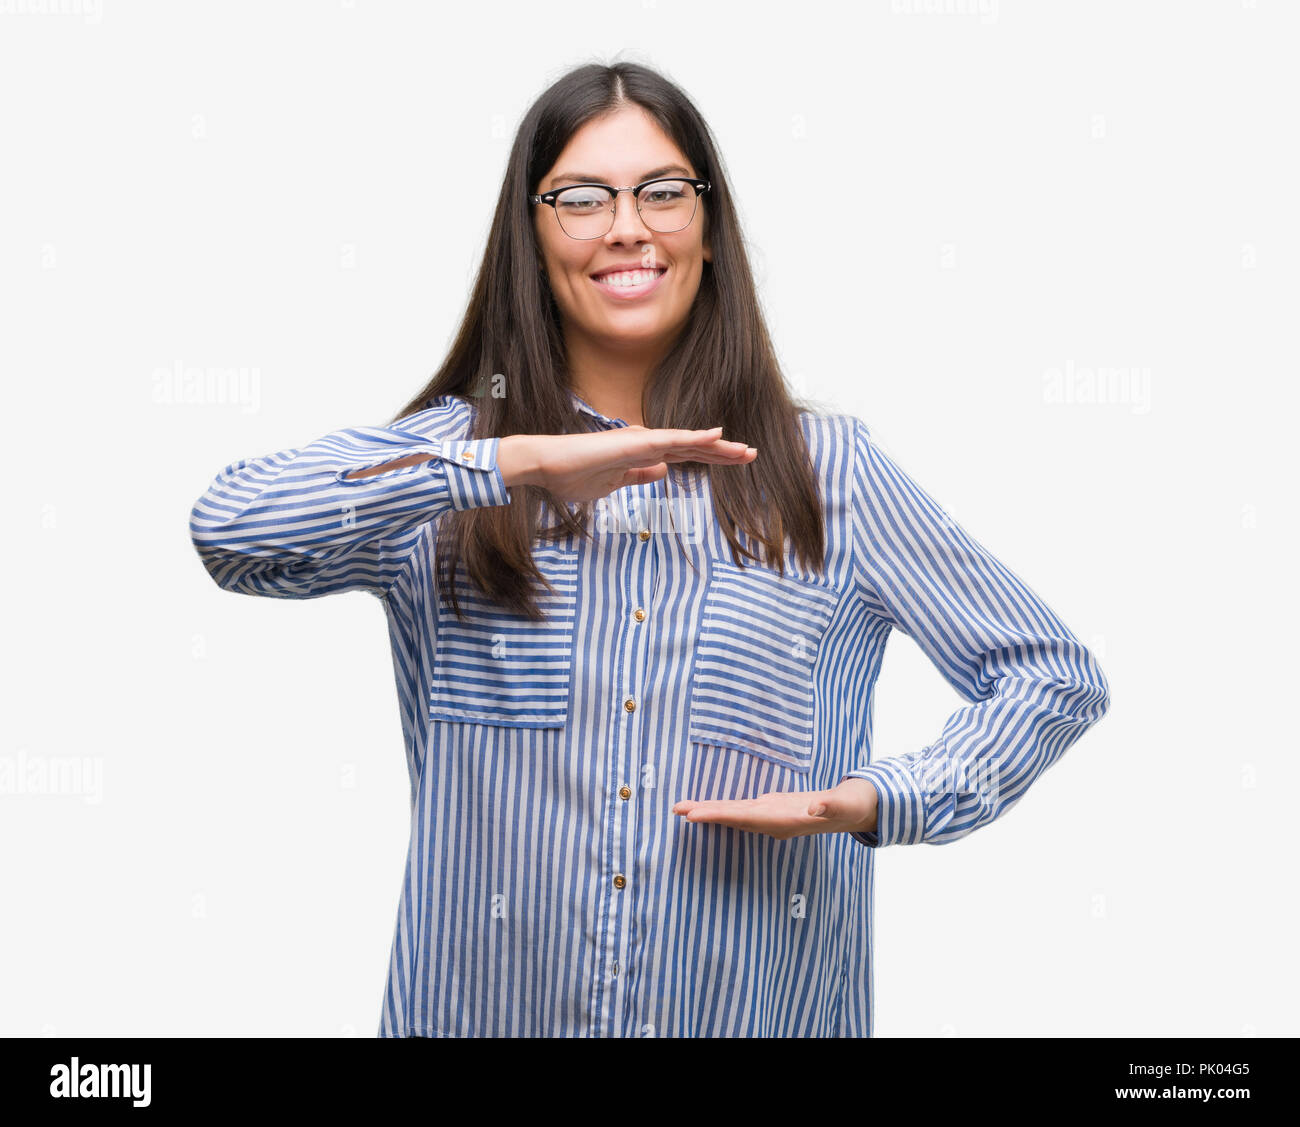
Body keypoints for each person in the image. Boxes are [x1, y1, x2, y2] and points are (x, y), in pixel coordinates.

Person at [188, 61, 1110, 1038]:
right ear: (530, 236)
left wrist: (878, 799)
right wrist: (512, 460)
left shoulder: (827, 473)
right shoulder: (455, 467)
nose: (626, 225)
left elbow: (1047, 675)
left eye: (663, 192)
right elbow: (230, 526)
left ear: (708, 230)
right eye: (580, 198)